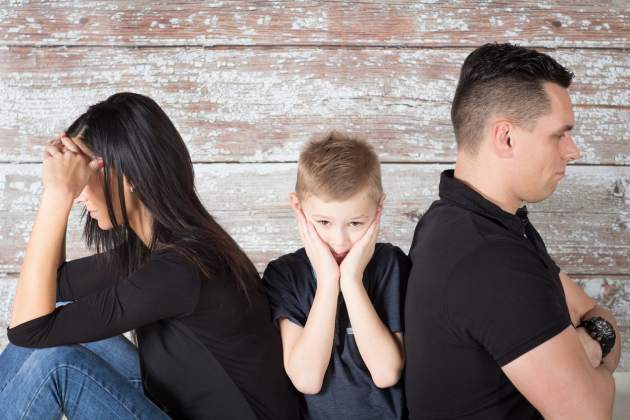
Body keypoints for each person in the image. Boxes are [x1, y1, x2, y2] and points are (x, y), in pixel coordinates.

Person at [1, 92, 299, 420]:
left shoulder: (181, 269)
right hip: (175, 409)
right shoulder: (159, 250)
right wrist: (57, 189)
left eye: (86, 176)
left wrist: (57, 195)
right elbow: (49, 289)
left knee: (55, 363)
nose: (79, 193)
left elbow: (27, 330)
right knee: (56, 311)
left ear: (129, 175)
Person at [404, 43, 621, 419]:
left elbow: (588, 310)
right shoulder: (488, 258)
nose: (573, 150)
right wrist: (594, 338)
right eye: (559, 134)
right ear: (506, 137)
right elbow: (591, 413)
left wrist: (592, 338)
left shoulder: (467, 220)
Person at [263, 131, 410, 419]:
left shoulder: (391, 265)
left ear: (379, 208)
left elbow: (386, 373)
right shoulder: (285, 275)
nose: (340, 240)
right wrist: (329, 282)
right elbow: (307, 379)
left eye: (356, 223)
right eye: (323, 223)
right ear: (298, 208)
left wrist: (352, 281)